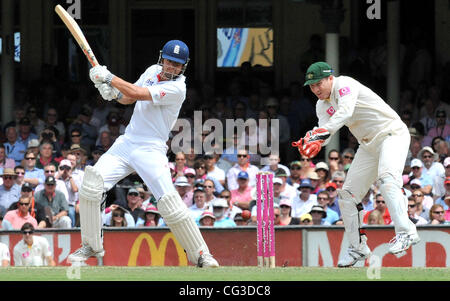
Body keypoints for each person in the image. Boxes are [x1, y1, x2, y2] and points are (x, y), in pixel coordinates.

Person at [68, 40, 219, 267]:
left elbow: (138, 92)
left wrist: (109, 78)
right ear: (162, 58)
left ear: (183, 66)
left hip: (151, 148)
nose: (171, 67)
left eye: (177, 65)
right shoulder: (152, 70)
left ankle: (201, 254)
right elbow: (128, 97)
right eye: (169, 61)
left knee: (169, 202)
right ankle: (91, 245)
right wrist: (111, 94)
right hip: (128, 142)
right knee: (92, 184)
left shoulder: (178, 88)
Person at [294, 61, 419, 267]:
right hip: (368, 145)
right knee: (347, 196)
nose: (315, 89)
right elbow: (325, 131)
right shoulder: (321, 105)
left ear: (330, 78)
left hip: (391, 134)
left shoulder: (345, 85)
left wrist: (320, 134)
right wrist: (311, 139)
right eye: (312, 86)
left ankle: (406, 232)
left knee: (387, 180)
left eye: (319, 84)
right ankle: (357, 248)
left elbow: (344, 113)